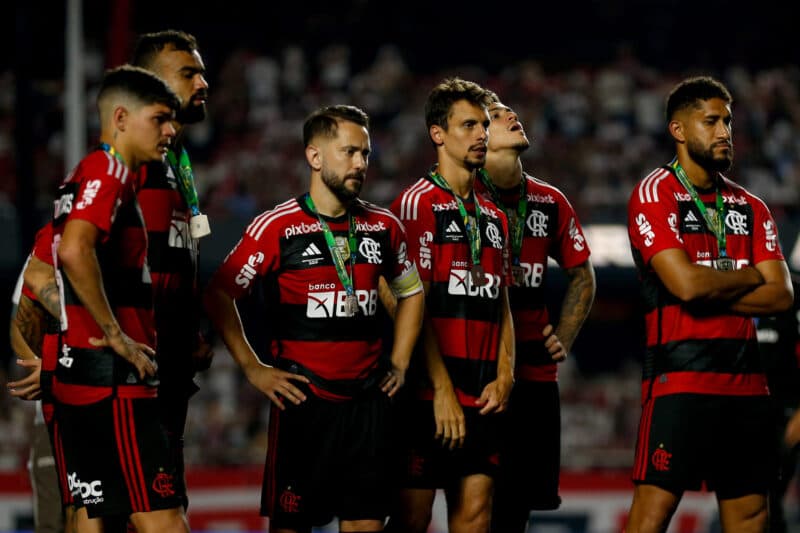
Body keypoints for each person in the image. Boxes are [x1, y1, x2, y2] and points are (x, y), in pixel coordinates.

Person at [203, 104, 424, 533]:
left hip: (368, 404)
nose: (361, 163)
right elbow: (218, 294)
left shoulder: (383, 226)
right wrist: (253, 368)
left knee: (365, 527)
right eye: (349, 152)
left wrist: (399, 360)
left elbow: (412, 292)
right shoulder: (277, 227)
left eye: (366, 153)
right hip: (305, 403)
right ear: (315, 157)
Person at [624, 75, 793, 533]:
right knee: (651, 515)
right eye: (712, 121)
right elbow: (685, 286)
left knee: (753, 515)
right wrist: (748, 273)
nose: (725, 132)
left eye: (729, 122)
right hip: (679, 383)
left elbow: (781, 294)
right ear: (679, 130)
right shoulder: (655, 193)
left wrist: (709, 286)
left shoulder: (751, 205)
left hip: (747, 389)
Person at [50, 65, 188, 532]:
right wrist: (116, 336)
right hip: (115, 386)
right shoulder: (109, 171)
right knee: (164, 520)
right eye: (160, 118)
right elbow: (72, 250)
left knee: (94, 519)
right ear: (122, 117)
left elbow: (42, 265)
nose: (171, 129)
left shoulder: (81, 174)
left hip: (81, 381)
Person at [385, 77, 514, 533]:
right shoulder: (415, 204)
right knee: (412, 520)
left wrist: (505, 373)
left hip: (482, 395)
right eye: (468, 125)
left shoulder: (495, 215)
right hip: (425, 396)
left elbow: (501, 300)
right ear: (437, 134)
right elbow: (406, 303)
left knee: (476, 517)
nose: (481, 134)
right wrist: (439, 388)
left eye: (483, 125)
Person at [476, 91, 596, 532]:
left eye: (512, 111)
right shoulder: (459, 198)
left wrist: (562, 335)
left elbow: (583, 276)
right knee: (469, 504)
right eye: (495, 115)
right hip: (478, 371)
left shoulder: (550, 200)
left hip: (535, 378)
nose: (512, 115)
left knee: (515, 511)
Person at [130, 29, 214, 511]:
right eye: (188, 73)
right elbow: (63, 256)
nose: (202, 82)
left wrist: (188, 332)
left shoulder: (177, 162)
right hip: (135, 377)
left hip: (168, 371)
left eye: (201, 71)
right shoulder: (133, 162)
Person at [7, 224, 69, 533]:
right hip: (52, 415)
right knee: (51, 523)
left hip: (103, 404)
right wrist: (43, 370)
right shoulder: (48, 245)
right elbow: (18, 325)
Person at [755, 273, 800, 533]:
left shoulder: (793, 295)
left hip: (787, 416)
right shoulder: (731, 293)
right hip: (747, 416)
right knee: (759, 505)